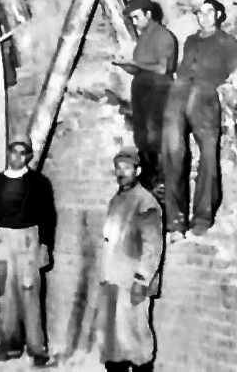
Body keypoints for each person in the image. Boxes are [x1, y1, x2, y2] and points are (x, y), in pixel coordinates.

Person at [162, 0, 237, 241]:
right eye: (200, 12)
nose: (204, 16)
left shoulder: (226, 41)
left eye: (210, 11)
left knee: (208, 156)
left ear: (218, 15)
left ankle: (202, 217)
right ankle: (175, 221)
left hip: (205, 96)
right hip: (178, 94)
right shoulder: (190, 40)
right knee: (173, 154)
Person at [0, 135, 56, 366]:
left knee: (29, 292)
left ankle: (37, 349)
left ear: (28, 157)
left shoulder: (38, 182)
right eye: (13, 151)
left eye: (22, 153)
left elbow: (48, 215)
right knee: (5, 295)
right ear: (8, 154)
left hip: (28, 239)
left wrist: (45, 245)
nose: (16, 157)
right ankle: (9, 344)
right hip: (3, 240)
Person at [98, 148, 163, 372]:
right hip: (113, 279)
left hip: (132, 282)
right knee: (113, 341)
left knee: (135, 340)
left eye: (127, 168)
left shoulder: (145, 203)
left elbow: (152, 246)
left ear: (138, 171)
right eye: (118, 168)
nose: (121, 172)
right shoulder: (116, 200)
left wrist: (141, 280)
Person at [112, 0, 178, 192]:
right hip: (142, 95)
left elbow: (162, 69)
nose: (134, 22)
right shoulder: (143, 39)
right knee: (142, 140)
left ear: (149, 14)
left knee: (157, 140)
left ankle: (162, 185)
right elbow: (140, 69)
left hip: (158, 95)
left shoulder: (163, 36)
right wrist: (125, 65)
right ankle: (148, 185)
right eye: (131, 18)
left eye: (136, 17)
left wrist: (135, 63)